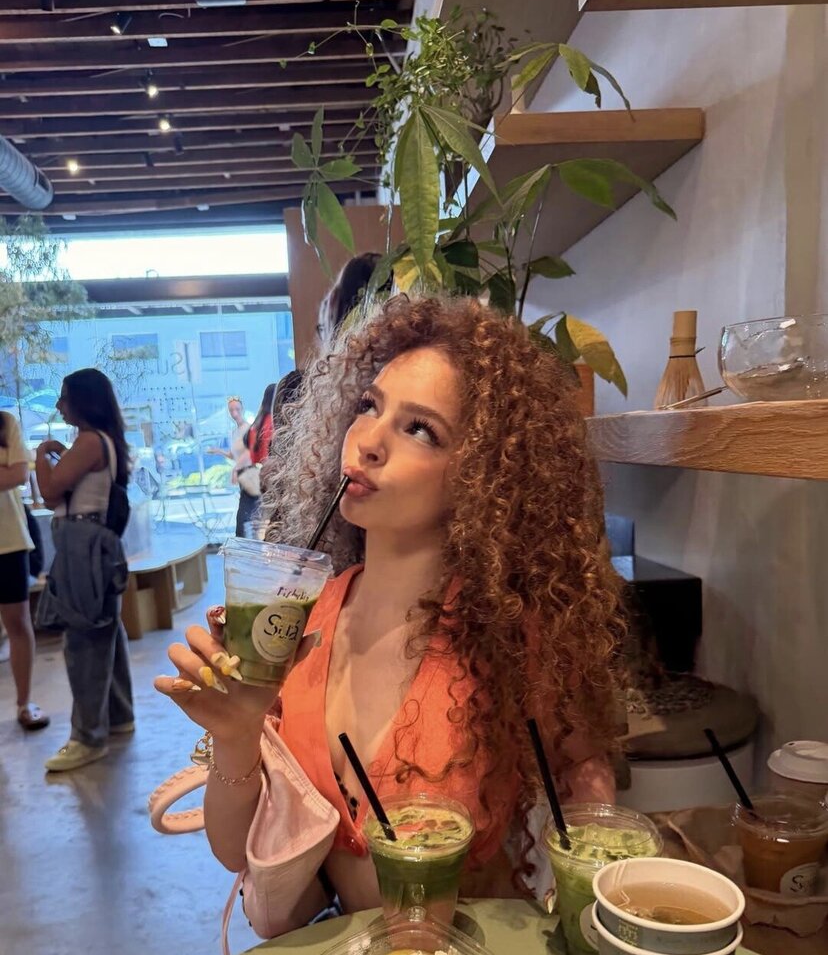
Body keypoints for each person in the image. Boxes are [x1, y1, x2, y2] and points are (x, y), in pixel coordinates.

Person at [157, 295, 625, 915]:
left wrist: (583, 901)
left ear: (482, 474)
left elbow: (582, 769)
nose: (369, 441)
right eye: (368, 406)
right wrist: (237, 734)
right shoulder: (298, 621)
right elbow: (235, 851)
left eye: (419, 429)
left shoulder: (505, 634)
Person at [35, 369, 134, 772]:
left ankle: (87, 738)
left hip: (82, 545)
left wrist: (42, 453)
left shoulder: (90, 441)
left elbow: (49, 491)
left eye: (64, 397)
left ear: (83, 401)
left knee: (83, 640)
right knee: (105, 630)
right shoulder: (102, 440)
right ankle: (118, 717)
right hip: (95, 543)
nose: (59, 405)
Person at [0, 411, 48, 730]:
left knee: (18, 623)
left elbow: (18, 474)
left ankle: (24, 702)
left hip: (8, 541)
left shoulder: (6, 422)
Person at [206, 396, 252, 538]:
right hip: (242, 474)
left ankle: (244, 542)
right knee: (245, 513)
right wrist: (218, 451)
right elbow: (233, 455)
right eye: (231, 410)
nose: (234, 413)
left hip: (249, 472)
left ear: (242, 409)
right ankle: (244, 542)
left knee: (245, 513)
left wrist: (235, 469)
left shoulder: (248, 429)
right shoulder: (234, 432)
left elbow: (250, 453)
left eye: (237, 409)